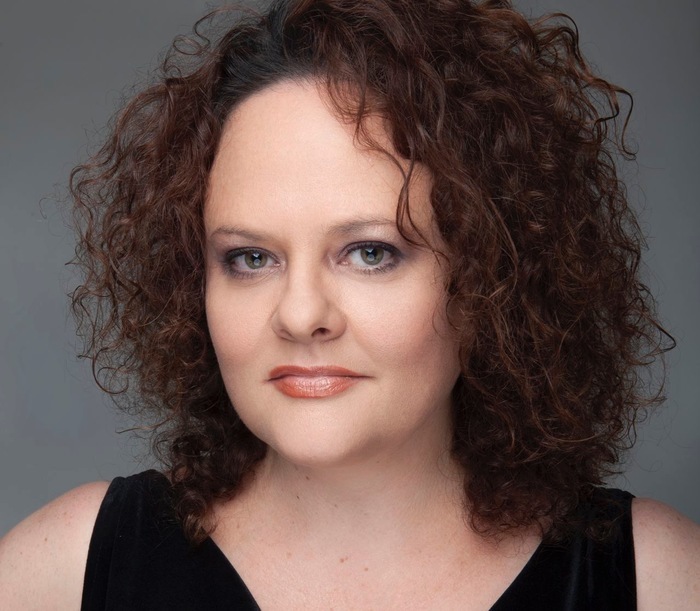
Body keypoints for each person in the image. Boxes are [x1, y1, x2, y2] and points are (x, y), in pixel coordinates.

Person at [1, 0, 698, 608]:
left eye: (370, 253)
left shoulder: (660, 582)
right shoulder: (67, 574)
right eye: (251, 258)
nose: (301, 315)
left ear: (493, 272)